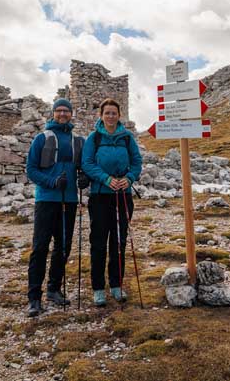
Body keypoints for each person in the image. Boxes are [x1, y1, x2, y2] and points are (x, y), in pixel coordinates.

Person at [25, 98, 83, 317]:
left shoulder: (78, 141)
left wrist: (84, 178)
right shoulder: (42, 138)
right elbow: (30, 169)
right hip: (46, 199)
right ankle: (33, 298)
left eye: (66, 111)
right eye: (58, 111)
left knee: (64, 247)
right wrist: (51, 182)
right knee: (40, 247)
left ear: (71, 113)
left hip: (69, 200)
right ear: (53, 113)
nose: (62, 114)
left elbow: (83, 167)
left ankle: (53, 289)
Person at [82, 98, 142, 307]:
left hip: (122, 195)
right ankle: (98, 288)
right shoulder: (94, 138)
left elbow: (136, 162)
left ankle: (116, 285)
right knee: (98, 242)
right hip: (100, 195)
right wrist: (106, 179)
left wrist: (130, 178)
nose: (110, 116)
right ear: (101, 116)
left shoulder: (127, 138)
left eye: (114, 113)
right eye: (107, 113)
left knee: (119, 242)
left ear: (119, 115)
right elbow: (87, 163)